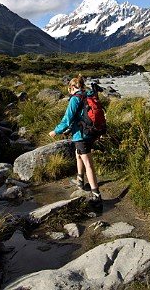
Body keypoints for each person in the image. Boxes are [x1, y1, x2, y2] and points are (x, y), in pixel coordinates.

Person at [48, 74, 102, 208]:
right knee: (78, 154)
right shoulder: (88, 94)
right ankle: (79, 180)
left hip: (81, 135)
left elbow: (67, 119)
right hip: (90, 132)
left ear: (72, 87)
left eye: (69, 90)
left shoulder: (75, 99)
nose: (69, 93)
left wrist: (56, 131)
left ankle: (96, 195)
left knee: (88, 163)